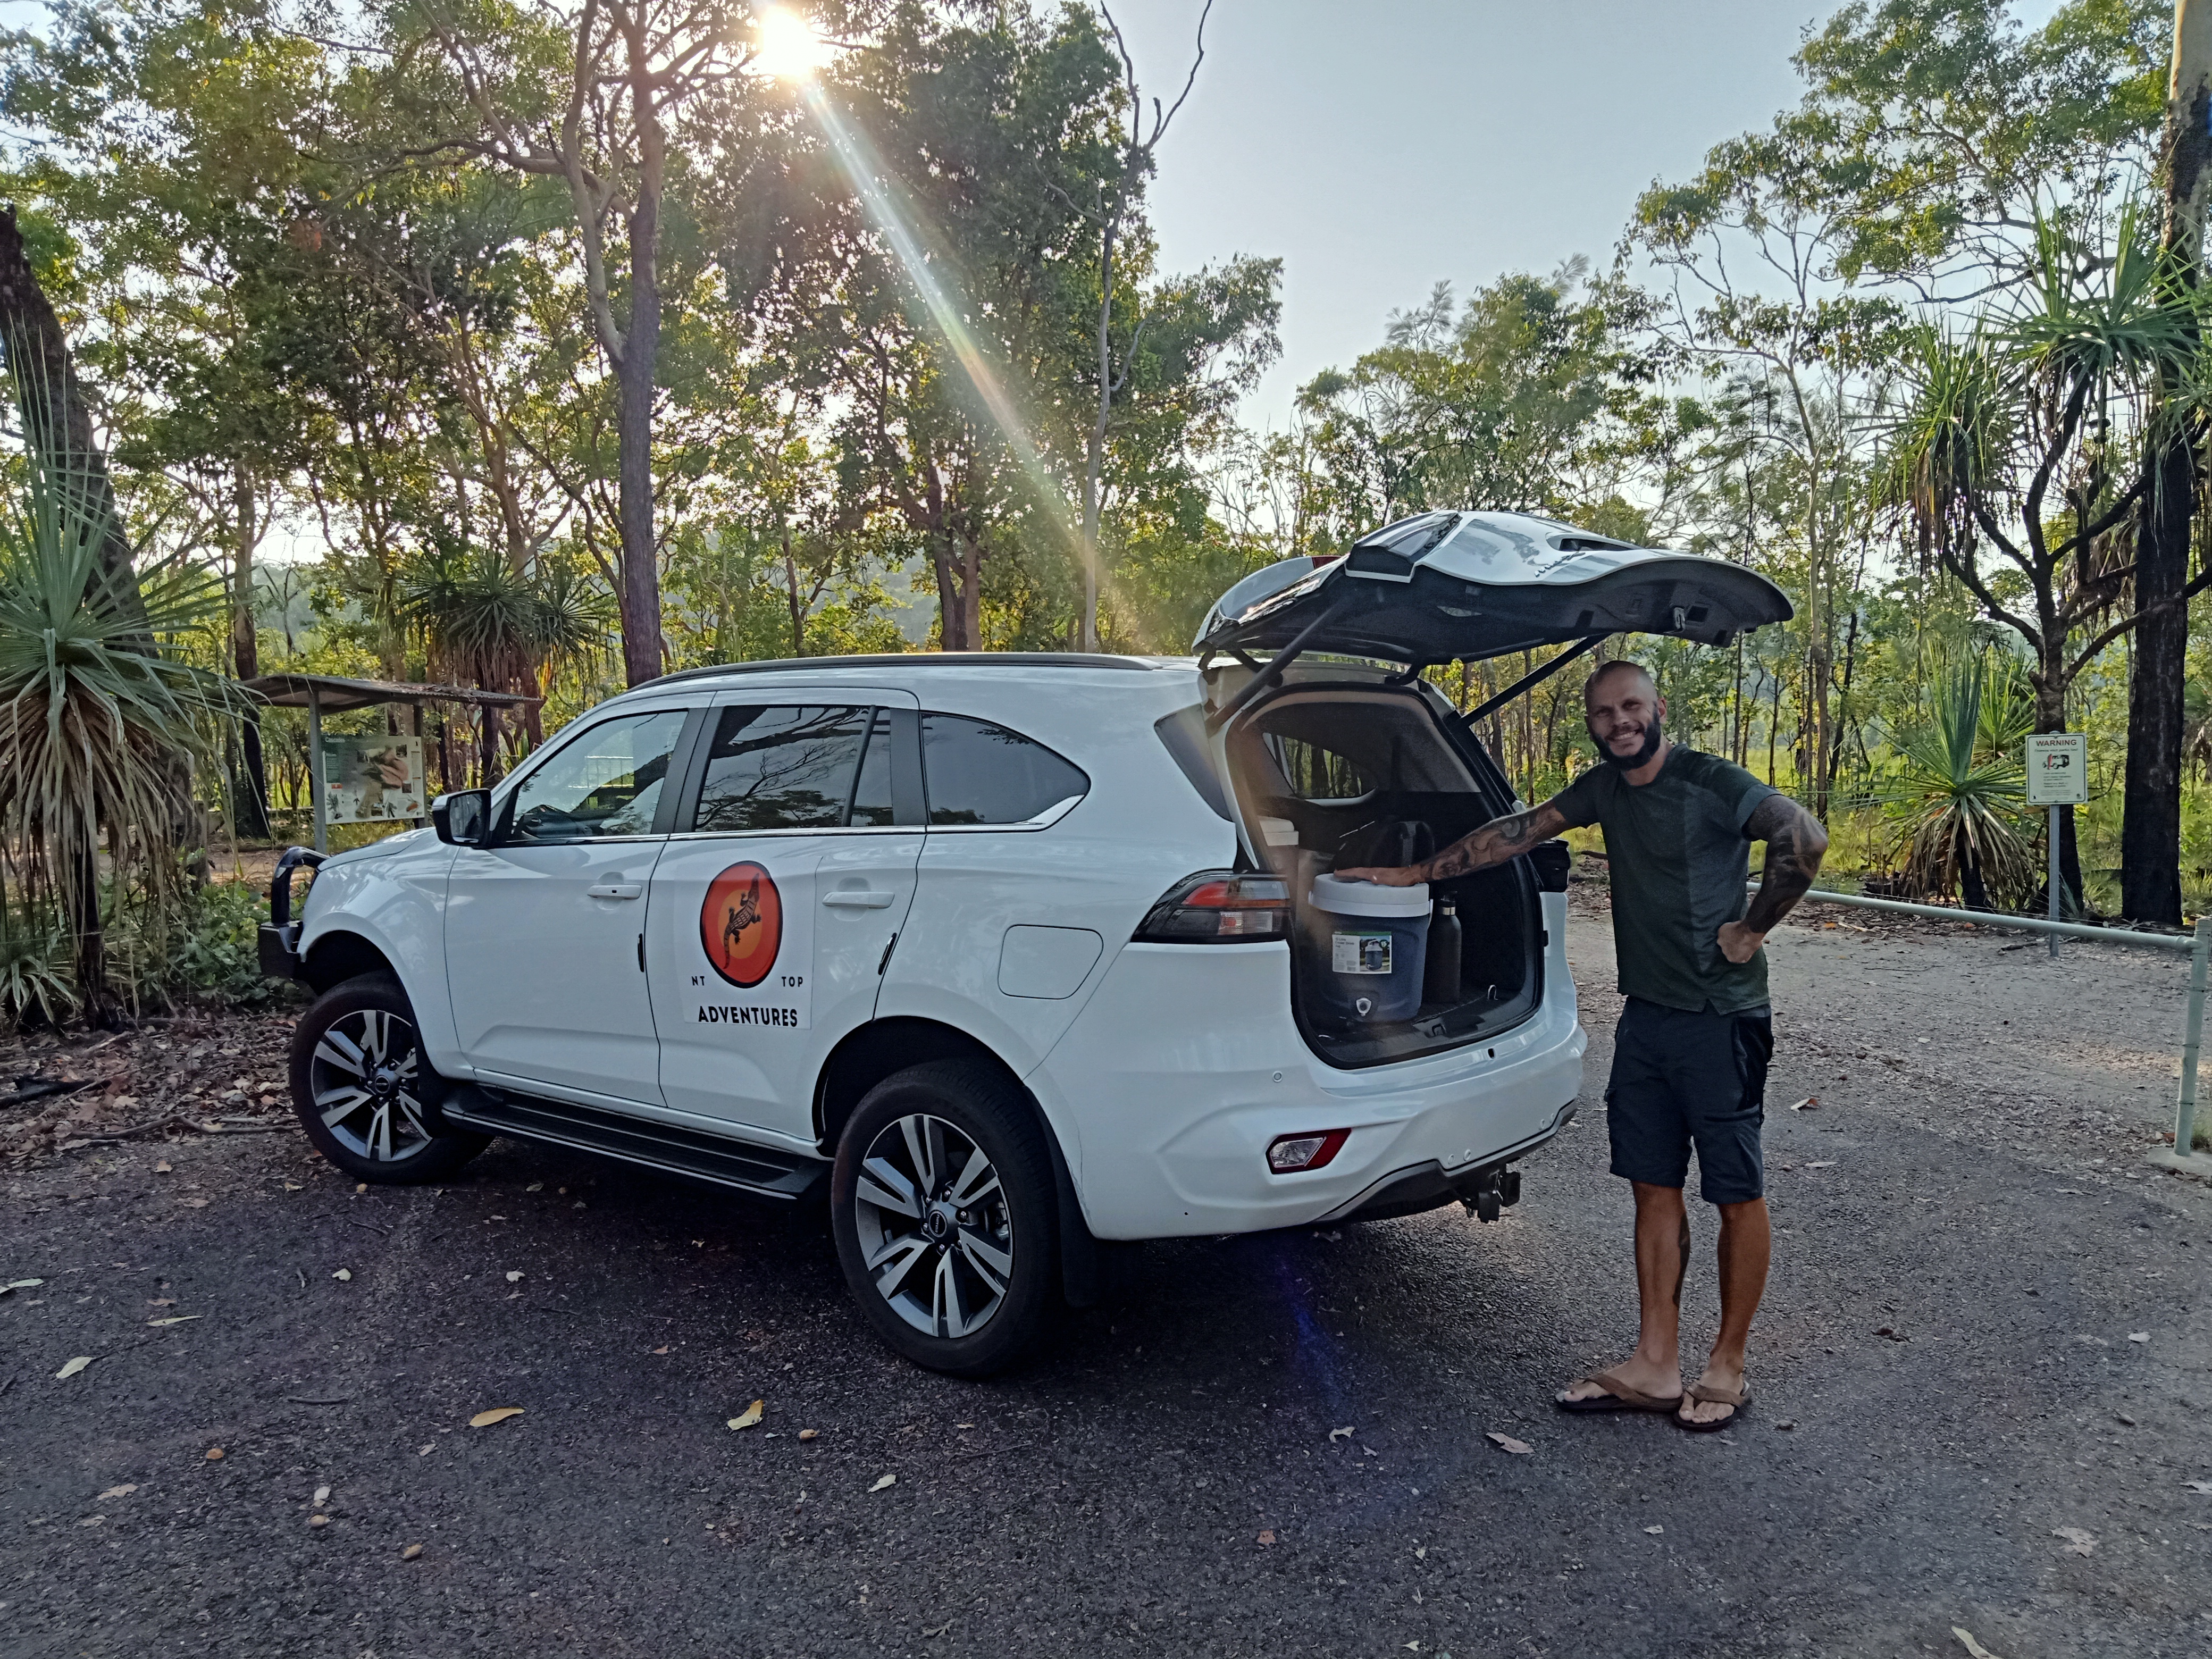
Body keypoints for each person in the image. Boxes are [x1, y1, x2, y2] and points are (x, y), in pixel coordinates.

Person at [1338, 658, 1826, 1431]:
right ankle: (1656, 1363)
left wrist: (1752, 928)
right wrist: (1416, 875)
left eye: (1630, 706)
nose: (1618, 722)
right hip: (1648, 1019)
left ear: (1658, 707)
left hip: (1719, 1017)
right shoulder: (1603, 789)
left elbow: (1802, 834)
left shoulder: (1709, 780)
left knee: (1736, 1192)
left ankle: (1727, 1365)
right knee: (1652, 1185)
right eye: (1602, 713)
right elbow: (1516, 833)